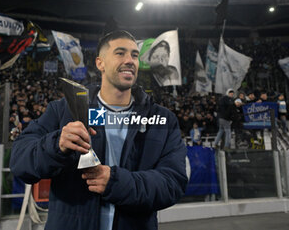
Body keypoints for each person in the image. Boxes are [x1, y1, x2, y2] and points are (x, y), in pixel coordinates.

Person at [10, 30, 188, 230]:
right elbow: (19, 162)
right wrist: (56, 144)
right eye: (120, 53)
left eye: (135, 55)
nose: (130, 60)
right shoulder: (64, 110)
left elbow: (173, 183)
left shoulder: (162, 119)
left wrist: (115, 183)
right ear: (100, 63)